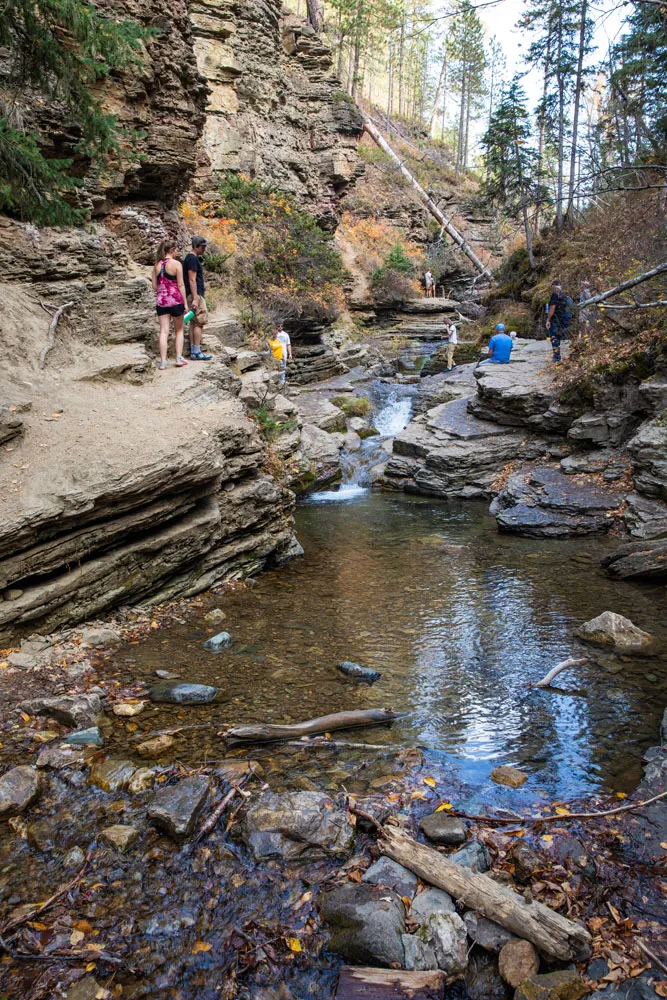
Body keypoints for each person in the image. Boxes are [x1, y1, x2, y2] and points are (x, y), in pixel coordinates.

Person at [152, 239, 188, 370]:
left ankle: (163, 362)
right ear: (172, 250)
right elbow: (181, 284)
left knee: (164, 331)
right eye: (176, 249)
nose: (177, 252)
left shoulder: (157, 265)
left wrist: (163, 290)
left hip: (161, 301)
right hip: (176, 300)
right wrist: (185, 303)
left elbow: (154, 286)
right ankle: (178, 358)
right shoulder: (177, 264)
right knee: (179, 330)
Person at [183, 236, 212, 361]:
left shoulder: (189, 258)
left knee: (193, 321)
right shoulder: (193, 259)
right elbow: (192, 279)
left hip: (192, 294)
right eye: (203, 247)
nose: (204, 249)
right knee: (199, 322)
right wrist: (195, 298)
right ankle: (196, 351)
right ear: (196, 246)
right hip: (196, 295)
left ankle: (194, 351)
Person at [545, 279, 572, 362]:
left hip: (556, 319)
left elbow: (553, 307)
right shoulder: (564, 295)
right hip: (563, 319)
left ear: (553, 285)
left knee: (554, 337)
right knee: (560, 336)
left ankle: (556, 356)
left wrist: (548, 319)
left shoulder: (555, 294)